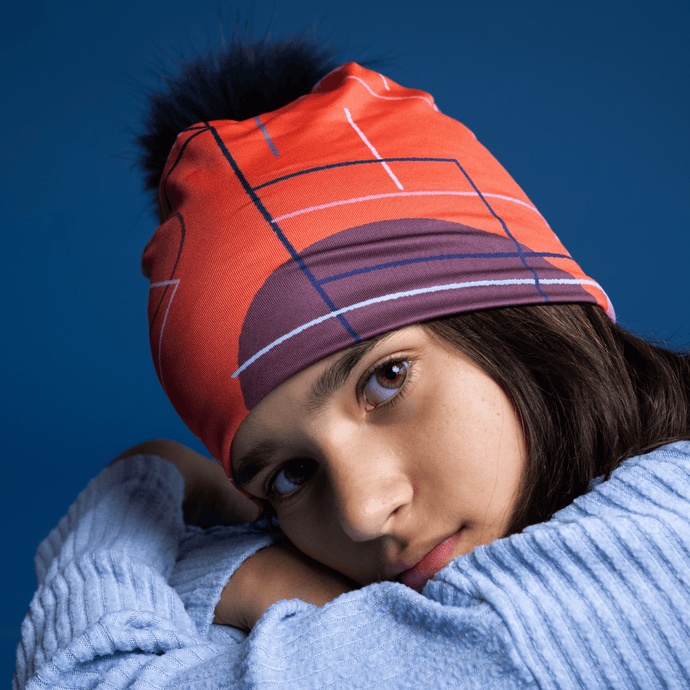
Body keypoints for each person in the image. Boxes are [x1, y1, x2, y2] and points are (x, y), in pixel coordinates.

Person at [14, 28, 690, 690]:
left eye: (387, 379)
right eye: (290, 476)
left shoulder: (643, 569)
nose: (364, 512)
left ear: (518, 318)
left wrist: (141, 486)